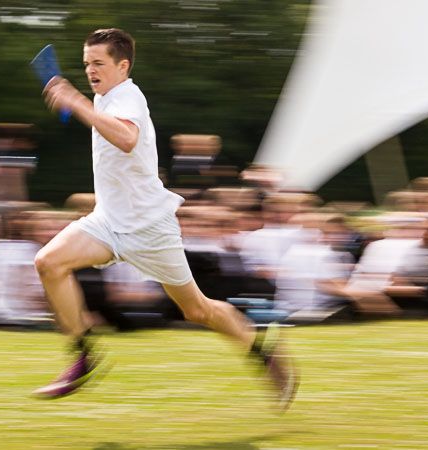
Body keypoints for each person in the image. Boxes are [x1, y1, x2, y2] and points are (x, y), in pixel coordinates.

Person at [32, 28, 298, 410]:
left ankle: (261, 349)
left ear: (123, 66)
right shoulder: (103, 96)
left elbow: (125, 139)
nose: (90, 71)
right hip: (107, 222)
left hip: (148, 228)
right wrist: (82, 101)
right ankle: (83, 354)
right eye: (87, 64)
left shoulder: (128, 97)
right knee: (48, 262)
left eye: (99, 64)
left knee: (197, 310)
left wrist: (75, 102)